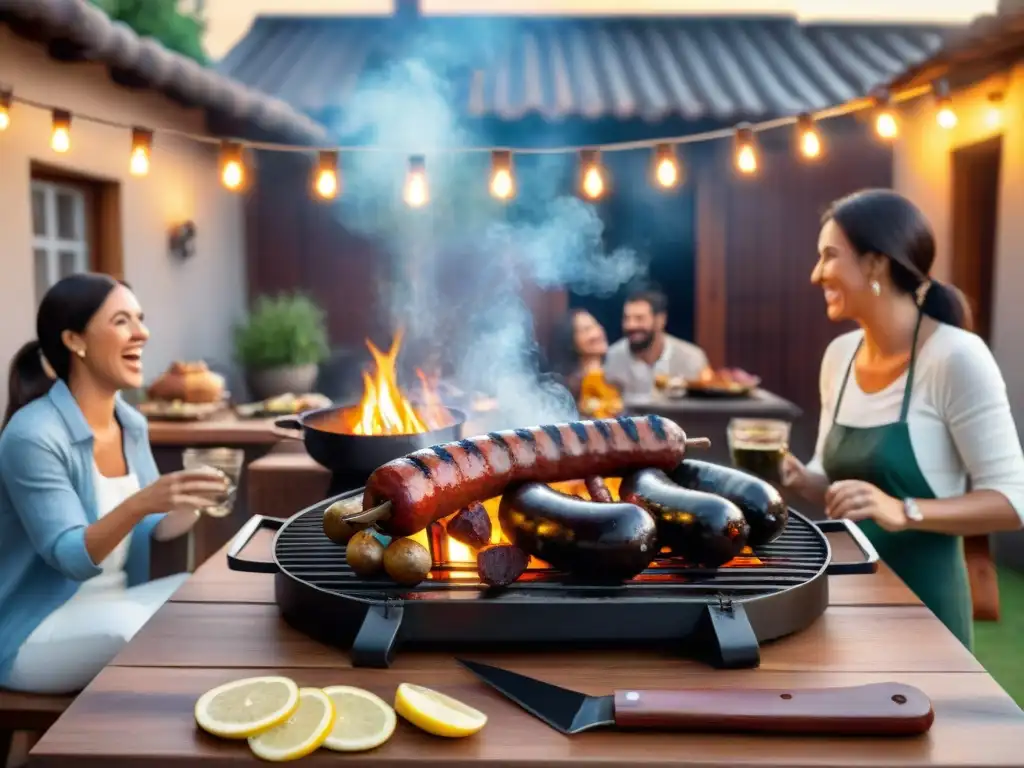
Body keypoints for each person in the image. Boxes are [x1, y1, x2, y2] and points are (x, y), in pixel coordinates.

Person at [780, 189, 1024, 650]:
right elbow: (833, 484)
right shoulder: (839, 356)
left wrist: (903, 509)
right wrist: (793, 474)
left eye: (829, 256)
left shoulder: (955, 357)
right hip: (846, 599)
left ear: (875, 263)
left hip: (927, 615)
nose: (816, 274)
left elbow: (1013, 502)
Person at [0, 273, 230, 694]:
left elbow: (151, 526)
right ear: (75, 340)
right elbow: (68, 556)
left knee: (215, 600)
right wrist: (142, 502)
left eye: (140, 319)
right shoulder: (32, 435)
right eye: (122, 321)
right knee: (133, 634)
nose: (142, 332)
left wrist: (188, 500)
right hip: (33, 630)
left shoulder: (130, 422)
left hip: (117, 604)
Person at [604, 287, 709, 397]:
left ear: (660, 320)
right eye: (626, 318)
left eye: (639, 318)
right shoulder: (613, 357)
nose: (631, 325)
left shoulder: (691, 358)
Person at [547, 308, 610, 400]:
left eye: (596, 325)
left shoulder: (616, 373)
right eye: (586, 330)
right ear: (571, 341)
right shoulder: (566, 388)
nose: (597, 333)